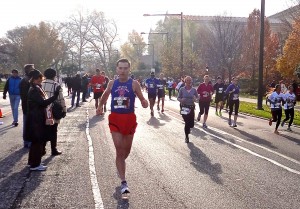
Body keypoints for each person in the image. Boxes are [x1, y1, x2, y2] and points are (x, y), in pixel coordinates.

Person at [96, 58, 148, 195]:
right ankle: (124, 182)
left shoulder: (134, 84)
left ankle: (120, 165)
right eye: (120, 68)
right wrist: (100, 106)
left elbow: (142, 98)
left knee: (126, 152)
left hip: (129, 119)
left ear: (129, 69)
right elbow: (105, 95)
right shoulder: (112, 83)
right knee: (119, 150)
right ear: (117, 69)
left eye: (125, 68)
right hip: (115, 119)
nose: (123, 71)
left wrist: (144, 102)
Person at [26, 70, 61, 171]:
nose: (41, 81)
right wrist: (54, 96)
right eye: (39, 79)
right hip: (36, 118)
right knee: (38, 141)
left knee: (35, 142)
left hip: (36, 117)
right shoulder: (34, 90)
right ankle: (35, 164)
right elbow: (43, 103)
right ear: (35, 79)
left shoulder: (35, 88)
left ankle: (32, 162)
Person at [42, 68, 66, 155]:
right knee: (53, 130)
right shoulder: (56, 85)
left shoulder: (40, 84)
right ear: (54, 76)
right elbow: (61, 99)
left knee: (44, 129)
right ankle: (53, 149)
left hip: (42, 110)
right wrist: (64, 110)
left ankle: (43, 148)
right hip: (53, 110)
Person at [177, 76, 199, 143]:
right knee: (187, 122)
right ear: (185, 81)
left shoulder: (194, 90)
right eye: (187, 80)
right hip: (184, 107)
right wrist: (181, 100)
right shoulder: (182, 89)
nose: (189, 82)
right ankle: (186, 137)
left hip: (191, 107)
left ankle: (188, 129)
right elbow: (178, 98)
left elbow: (197, 98)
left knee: (191, 124)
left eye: (190, 80)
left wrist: (196, 99)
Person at [20, 64, 35, 148]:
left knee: (30, 123)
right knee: (27, 123)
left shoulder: (29, 80)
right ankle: (27, 141)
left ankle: (29, 140)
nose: (33, 70)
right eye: (32, 69)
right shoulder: (25, 81)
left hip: (30, 105)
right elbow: (24, 96)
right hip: (27, 105)